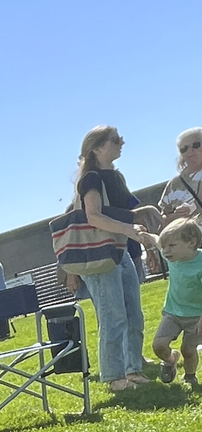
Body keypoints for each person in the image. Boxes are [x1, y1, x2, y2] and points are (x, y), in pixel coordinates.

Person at [65, 126, 156, 392]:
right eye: (115, 140)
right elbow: (93, 216)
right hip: (100, 254)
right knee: (113, 315)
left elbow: (127, 210)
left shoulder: (114, 177)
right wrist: (129, 229)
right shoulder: (90, 179)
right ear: (97, 148)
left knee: (133, 314)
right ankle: (114, 377)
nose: (121, 144)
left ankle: (133, 368)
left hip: (119, 250)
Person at [151, 218, 202, 388]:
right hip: (173, 313)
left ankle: (190, 377)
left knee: (188, 349)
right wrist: (143, 235)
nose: (165, 251)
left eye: (171, 246)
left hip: (197, 317)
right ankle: (171, 359)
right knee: (158, 345)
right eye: (164, 247)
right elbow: (156, 241)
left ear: (191, 243)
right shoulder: (174, 258)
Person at [158, 127, 202, 228]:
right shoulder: (175, 183)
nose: (190, 151)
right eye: (184, 149)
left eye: (196, 145)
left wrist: (195, 206)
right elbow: (161, 219)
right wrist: (174, 217)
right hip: (186, 239)